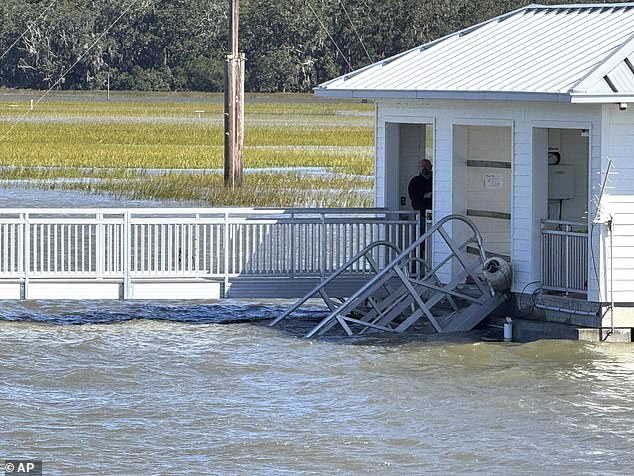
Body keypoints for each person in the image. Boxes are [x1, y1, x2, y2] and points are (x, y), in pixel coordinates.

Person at [408, 159, 433, 224]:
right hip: (421, 214)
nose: (424, 168)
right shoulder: (415, 181)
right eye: (422, 166)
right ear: (419, 168)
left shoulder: (436, 179)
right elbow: (412, 196)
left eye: (426, 166)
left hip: (436, 212)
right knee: (422, 233)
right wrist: (425, 195)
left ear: (431, 167)